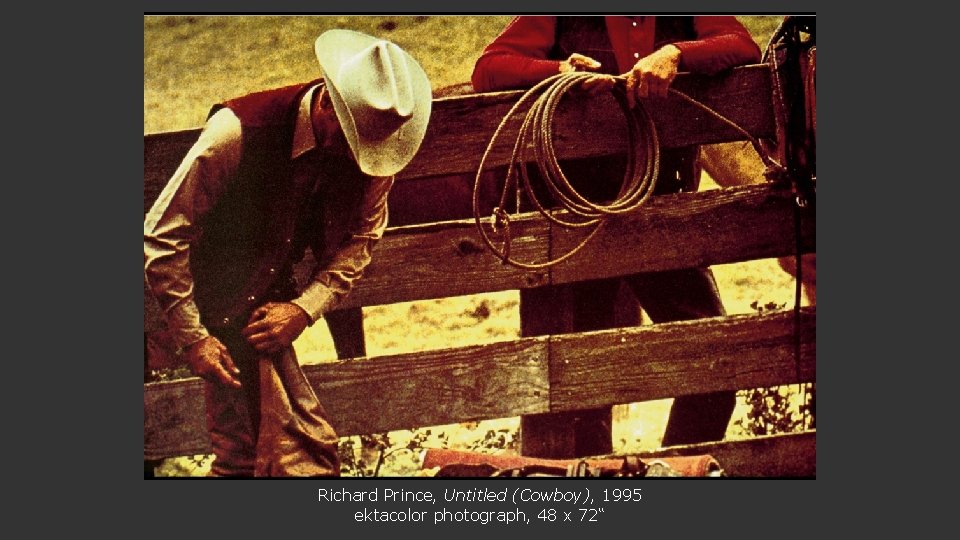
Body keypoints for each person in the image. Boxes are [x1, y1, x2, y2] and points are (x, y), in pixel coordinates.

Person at [144, 29, 432, 476]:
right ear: (325, 104)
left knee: (290, 450)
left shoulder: (378, 150)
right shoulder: (236, 132)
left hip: (264, 307)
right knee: (236, 454)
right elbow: (163, 233)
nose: (361, 157)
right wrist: (194, 337)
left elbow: (363, 238)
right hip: (200, 300)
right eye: (351, 138)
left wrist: (304, 308)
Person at [472, 16, 761, 448]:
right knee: (580, 384)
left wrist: (676, 54)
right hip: (576, 215)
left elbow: (742, 46)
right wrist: (559, 73)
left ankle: (672, 473)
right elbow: (490, 68)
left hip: (659, 207)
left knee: (714, 363)